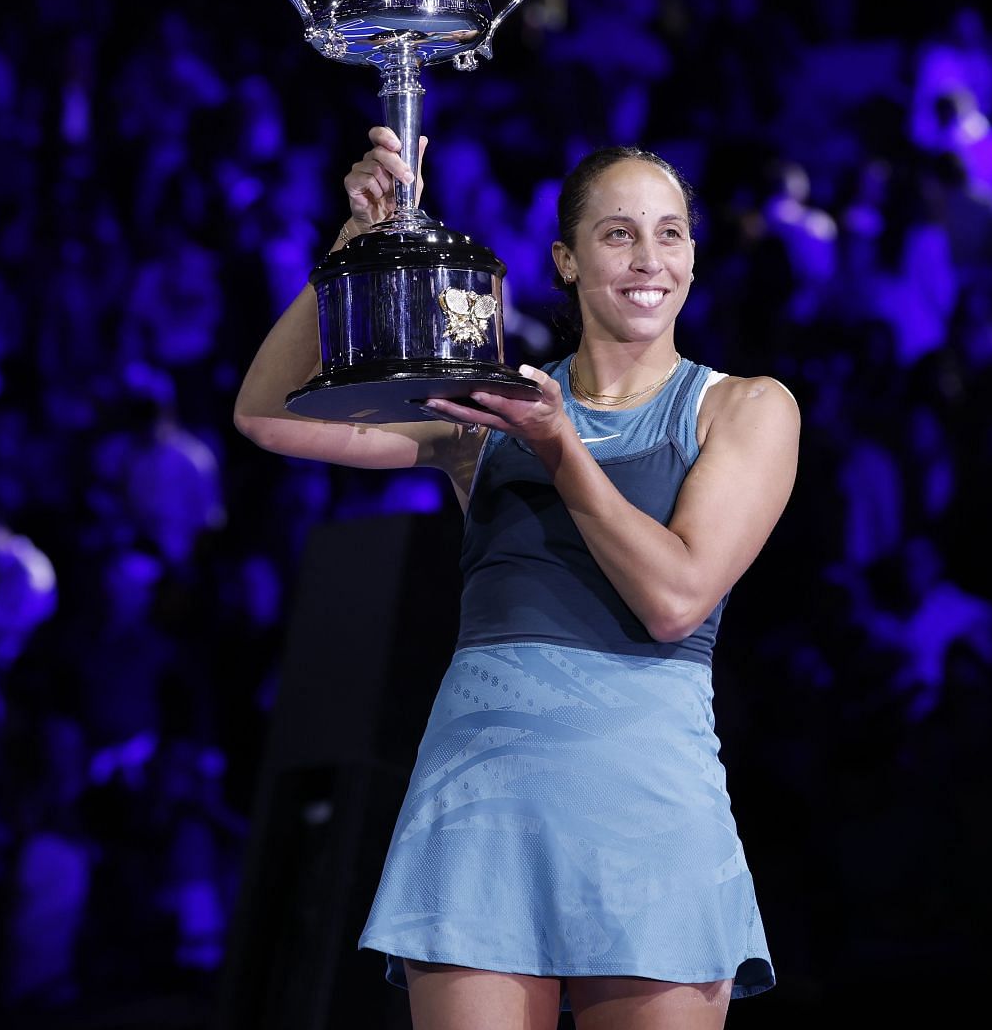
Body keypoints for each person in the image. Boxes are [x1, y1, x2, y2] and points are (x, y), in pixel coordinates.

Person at [233, 127, 799, 1028]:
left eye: (671, 232)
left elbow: (674, 599)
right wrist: (351, 250)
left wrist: (560, 448)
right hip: (482, 805)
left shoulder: (746, 406)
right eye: (618, 234)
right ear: (566, 260)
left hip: (647, 808)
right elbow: (267, 415)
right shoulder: (482, 411)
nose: (649, 257)